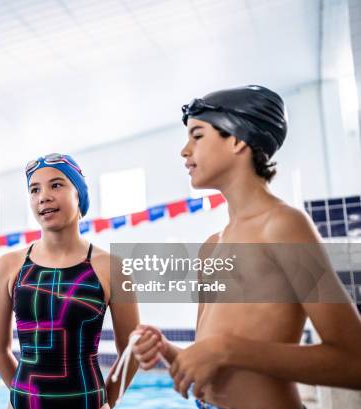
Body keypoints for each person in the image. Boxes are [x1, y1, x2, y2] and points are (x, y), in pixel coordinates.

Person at [132, 85, 361, 409]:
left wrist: (227, 348)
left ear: (237, 139)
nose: (185, 151)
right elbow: (215, 364)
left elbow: (355, 362)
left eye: (197, 136)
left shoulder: (282, 225)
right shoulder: (212, 248)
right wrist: (168, 350)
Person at [0, 153, 140, 408]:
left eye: (56, 185)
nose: (43, 196)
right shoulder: (9, 266)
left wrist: (108, 403)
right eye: (34, 190)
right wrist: (24, 395)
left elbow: (131, 351)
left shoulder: (112, 267)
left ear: (79, 194)